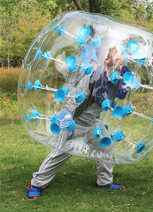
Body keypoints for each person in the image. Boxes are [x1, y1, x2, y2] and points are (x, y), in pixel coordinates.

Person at [27, 46, 128, 200]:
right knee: (59, 154)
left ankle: (104, 182)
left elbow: (117, 97)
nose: (117, 65)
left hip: (94, 125)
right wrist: (66, 114)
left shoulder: (118, 80)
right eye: (114, 60)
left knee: (107, 146)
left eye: (120, 62)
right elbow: (77, 97)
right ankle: (36, 184)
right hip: (75, 123)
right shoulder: (94, 76)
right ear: (106, 60)